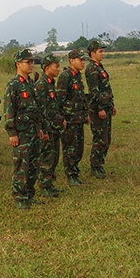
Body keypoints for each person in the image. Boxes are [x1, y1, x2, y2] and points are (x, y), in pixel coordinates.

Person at [3, 49, 46, 209]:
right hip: (21, 134)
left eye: (32, 62)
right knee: (22, 166)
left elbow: (35, 109)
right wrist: (12, 133)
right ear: (18, 64)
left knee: (34, 165)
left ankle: (29, 194)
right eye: (28, 62)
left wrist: (40, 128)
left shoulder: (30, 84)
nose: (31, 65)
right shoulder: (13, 85)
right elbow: (9, 110)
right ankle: (19, 197)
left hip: (33, 131)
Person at [57, 49, 89, 186]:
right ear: (71, 61)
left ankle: (75, 172)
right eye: (80, 60)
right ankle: (70, 174)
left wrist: (85, 114)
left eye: (83, 60)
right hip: (70, 119)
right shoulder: (66, 76)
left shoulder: (77, 76)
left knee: (78, 148)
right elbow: (60, 100)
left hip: (79, 119)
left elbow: (80, 98)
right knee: (70, 147)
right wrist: (65, 116)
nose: (83, 62)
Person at [35, 53, 65, 197]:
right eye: (56, 66)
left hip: (54, 127)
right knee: (46, 158)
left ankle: (50, 183)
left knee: (54, 157)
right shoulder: (41, 85)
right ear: (47, 68)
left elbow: (53, 106)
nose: (58, 69)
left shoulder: (50, 83)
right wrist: (44, 129)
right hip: (47, 128)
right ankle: (44, 185)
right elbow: (41, 110)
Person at [86, 40, 116, 179]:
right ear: (93, 53)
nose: (103, 54)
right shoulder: (92, 69)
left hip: (106, 106)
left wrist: (111, 105)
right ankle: (95, 166)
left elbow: (106, 88)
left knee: (106, 138)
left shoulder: (99, 67)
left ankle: (100, 164)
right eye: (100, 51)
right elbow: (94, 91)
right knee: (100, 138)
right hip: (98, 109)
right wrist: (99, 108)